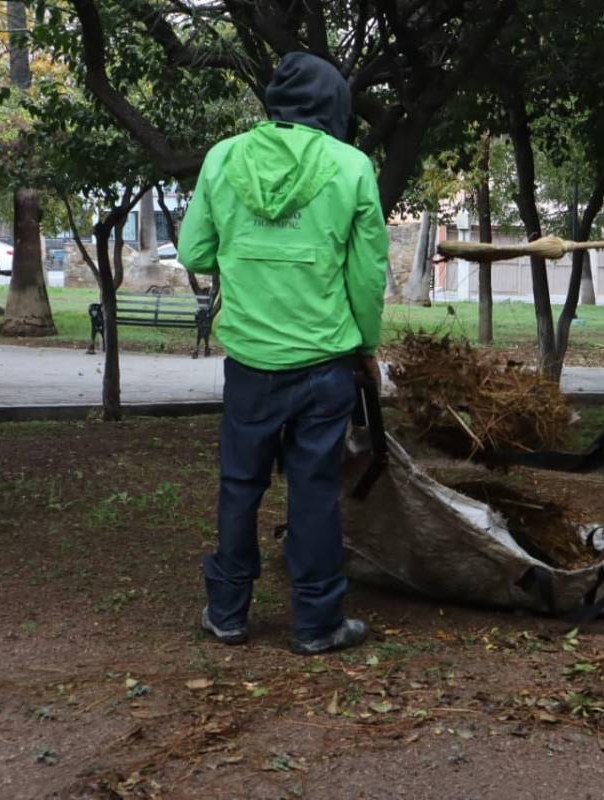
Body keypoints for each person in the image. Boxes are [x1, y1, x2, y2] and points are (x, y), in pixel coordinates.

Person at [178, 52, 390, 654]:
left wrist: (246, 250)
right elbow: (367, 274)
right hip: (325, 363)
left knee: (239, 487)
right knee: (315, 492)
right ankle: (318, 625)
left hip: (249, 362)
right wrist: (366, 347)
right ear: (333, 106)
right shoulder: (351, 166)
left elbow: (194, 253)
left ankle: (227, 613)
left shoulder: (224, 158)